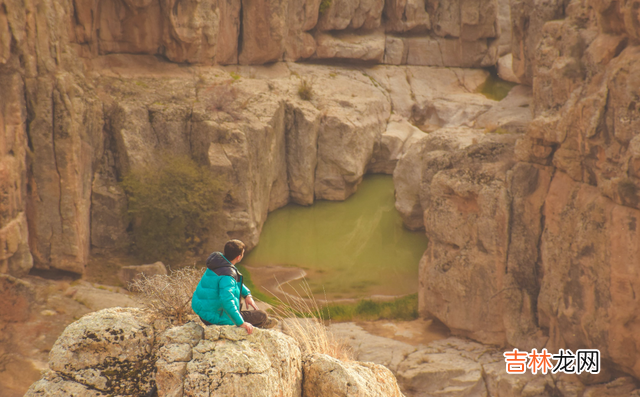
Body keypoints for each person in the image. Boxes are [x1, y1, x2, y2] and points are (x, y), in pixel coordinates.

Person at [192, 239, 277, 334]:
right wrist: (241, 323)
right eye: (243, 253)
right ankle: (261, 327)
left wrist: (247, 294)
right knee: (262, 315)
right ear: (239, 257)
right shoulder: (227, 276)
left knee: (239, 305)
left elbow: (233, 281)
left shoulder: (219, 264)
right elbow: (227, 301)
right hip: (215, 318)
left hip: (204, 312)